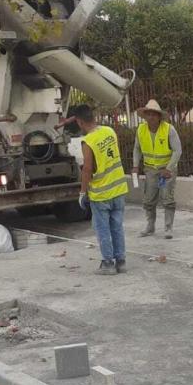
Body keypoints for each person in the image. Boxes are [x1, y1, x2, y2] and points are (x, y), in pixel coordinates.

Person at [73, 104, 128, 275]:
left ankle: (108, 264)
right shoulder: (109, 131)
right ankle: (121, 262)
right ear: (93, 117)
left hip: (101, 193)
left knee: (103, 229)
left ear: (80, 122)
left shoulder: (88, 141)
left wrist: (83, 192)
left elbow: (87, 169)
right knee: (117, 226)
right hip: (118, 188)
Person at [131, 99, 182, 239]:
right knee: (148, 200)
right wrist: (135, 166)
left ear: (159, 116)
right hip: (150, 170)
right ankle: (150, 226)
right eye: (148, 114)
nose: (151, 117)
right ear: (145, 116)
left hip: (166, 170)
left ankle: (168, 228)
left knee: (167, 199)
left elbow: (178, 151)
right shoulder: (141, 130)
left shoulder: (169, 129)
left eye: (154, 114)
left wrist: (169, 168)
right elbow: (137, 148)